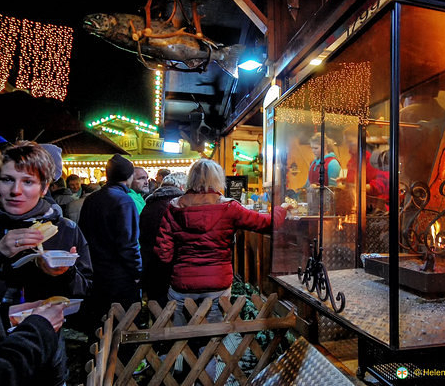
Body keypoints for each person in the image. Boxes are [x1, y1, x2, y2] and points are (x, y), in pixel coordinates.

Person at [154, 159, 291, 378]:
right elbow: (266, 223)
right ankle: (207, 378)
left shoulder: (174, 207)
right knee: (213, 339)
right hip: (217, 285)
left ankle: (178, 376)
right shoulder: (229, 207)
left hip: (182, 285)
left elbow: (163, 252)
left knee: (179, 338)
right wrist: (281, 210)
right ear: (218, 180)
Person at [0, 141, 93, 385]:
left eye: (28, 182)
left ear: (45, 187)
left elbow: (85, 288)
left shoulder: (65, 229)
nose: (16, 191)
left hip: (48, 343)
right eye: (7, 179)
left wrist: (64, 273)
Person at [79, 154, 142, 321]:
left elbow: (82, 235)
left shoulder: (90, 200)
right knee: (123, 326)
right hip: (119, 276)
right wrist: (136, 271)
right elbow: (128, 243)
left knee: (99, 323)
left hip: (96, 273)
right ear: (129, 176)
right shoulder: (124, 201)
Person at [140, 172, 187, 307]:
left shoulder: (149, 204)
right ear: (182, 187)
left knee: (157, 308)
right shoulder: (179, 206)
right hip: (174, 267)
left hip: (150, 266)